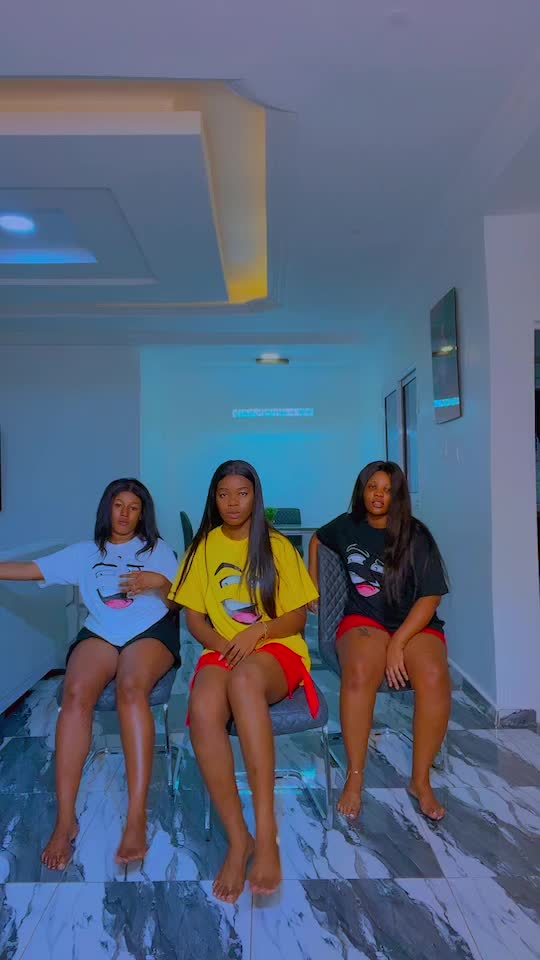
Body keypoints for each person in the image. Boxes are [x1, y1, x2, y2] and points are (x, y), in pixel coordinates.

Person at [0, 478, 179, 869]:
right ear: (107, 508)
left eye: (134, 507)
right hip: (101, 631)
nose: (125, 514)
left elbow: (180, 601)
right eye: (118, 505)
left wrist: (160, 582)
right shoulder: (85, 552)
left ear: (143, 514)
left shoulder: (158, 550)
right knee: (75, 692)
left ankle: (136, 816)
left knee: (131, 688)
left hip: (151, 631)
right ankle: (66, 820)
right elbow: (29, 569)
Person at [169, 459, 318, 903]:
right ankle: (240, 840)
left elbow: (297, 618)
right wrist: (224, 645)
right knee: (201, 709)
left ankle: (267, 834)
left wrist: (258, 632)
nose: (233, 502)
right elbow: (194, 619)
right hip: (223, 649)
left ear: (256, 497)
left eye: (242, 493)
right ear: (213, 499)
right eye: (223, 494)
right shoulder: (202, 548)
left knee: (245, 683)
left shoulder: (277, 546)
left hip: (277, 648)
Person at [309, 460, 450, 822]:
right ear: (362, 489)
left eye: (387, 490)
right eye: (373, 487)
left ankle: (420, 780)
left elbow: (431, 596)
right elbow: (317, 539)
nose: (378, 495)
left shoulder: (416, 535)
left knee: (435, 675)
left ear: (397, 496)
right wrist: (312, 585)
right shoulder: (347, 525)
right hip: (364, 619)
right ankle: (355, 777)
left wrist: (398, 643)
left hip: (413, 623)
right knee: (359, 672)